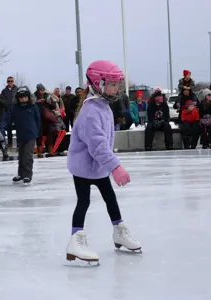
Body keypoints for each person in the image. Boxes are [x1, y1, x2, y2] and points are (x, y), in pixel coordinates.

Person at [66, 60, 142, 263]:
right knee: (83, 202)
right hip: (83, 166)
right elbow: (97, 145)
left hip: (98, 166)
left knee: (110, 198)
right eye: (113, 83)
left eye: (117, 83)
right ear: (99, 83)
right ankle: (76, 240)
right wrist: (115, 166)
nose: (116, 88)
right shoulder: (90, 111)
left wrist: (109, 165)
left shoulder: (103, 107)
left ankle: (119, 231)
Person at [11, 86, 40, 184]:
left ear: (29, 97)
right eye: (21, 97)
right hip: (21, 135)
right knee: (22, 155)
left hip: (31, 135)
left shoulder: (33, 107)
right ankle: (21, 174)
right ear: (18, 98)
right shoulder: (15, 108)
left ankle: (27, 175)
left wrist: (36, 131)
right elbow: (9, 118)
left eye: (25, 97)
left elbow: (38, 120)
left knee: (28, 155)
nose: (23, 99)